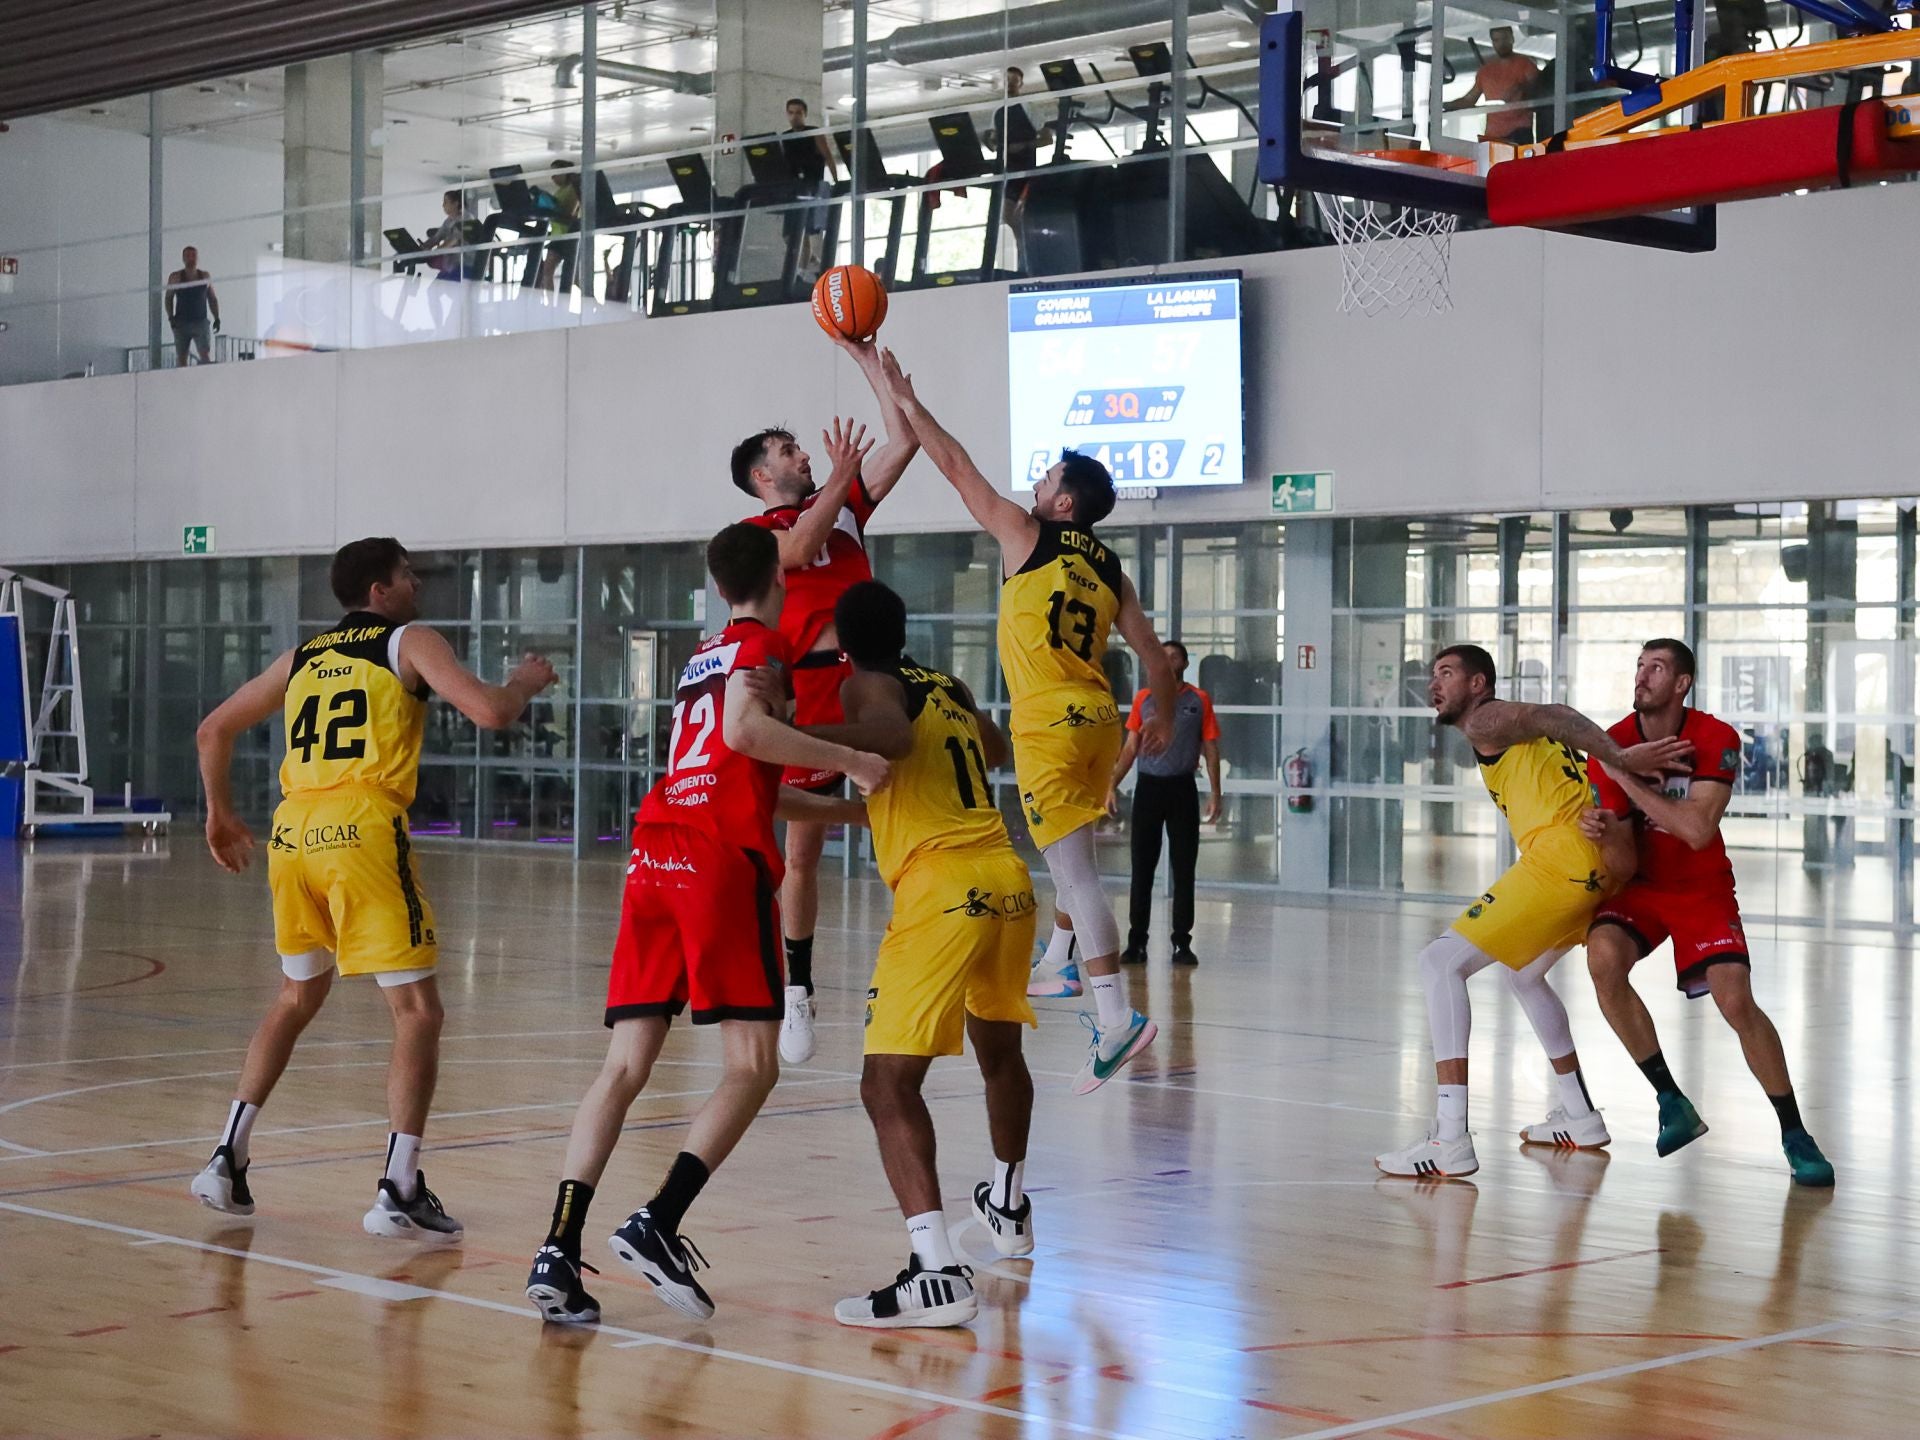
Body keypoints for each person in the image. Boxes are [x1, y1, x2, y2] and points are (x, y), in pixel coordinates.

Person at [525, 520, 890, 1326]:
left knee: (623, 1066)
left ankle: (558, 1243)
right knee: (754, 1064)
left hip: (654, 852)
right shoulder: (763, 644)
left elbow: (739, 774)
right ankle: (658, 1222)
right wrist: (856, 761)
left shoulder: (701, 656)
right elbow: (746, 736)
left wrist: (848, 816)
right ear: (778, 573)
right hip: (717, 865)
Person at [191, 538, 559, 1238]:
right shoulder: (409, 640)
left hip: (293, 834)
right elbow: (490, 712)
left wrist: (219, 811)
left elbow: (213, 730)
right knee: (418, 1012)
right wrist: (524, 681)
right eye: (407, 575)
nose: (416, 584)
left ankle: (226, 1158)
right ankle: (398, 1186)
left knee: (298, 995)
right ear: (380, 590)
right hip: (360, 828)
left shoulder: (303, 657)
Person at [877, 347, 1178, 1095]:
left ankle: (1117, 1017)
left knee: (1076, 878)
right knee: (1067, 855)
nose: (1035, 484)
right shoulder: (1110, 568)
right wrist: (1162, 714)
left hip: (1047, 719)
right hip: (1100, 718)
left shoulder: (1025, 533)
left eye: (1046, 479)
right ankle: (1054, 964)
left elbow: (954, 465)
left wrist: (910, 406)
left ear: (1064, 504)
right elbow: (1154, 655)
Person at [812, 580, 1039, 1328]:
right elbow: (992, 748)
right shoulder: (946, 683)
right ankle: (1006, 1205)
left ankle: (936, 1272)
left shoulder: (865, 686)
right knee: (999, 1054)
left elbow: (893, 739)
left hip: (941, 891)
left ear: (841, 645)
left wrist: (801, 733)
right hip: (1005, 880)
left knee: (886, 1086)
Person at [1374, 643, 1692, 1178]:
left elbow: (1557, 714)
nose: (1435, 684)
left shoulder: (1489, 718)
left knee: (1439, 964)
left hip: (1562, 860)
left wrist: (1619, 756)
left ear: (1478, 685)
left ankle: (1450, 1138)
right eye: (1433, 675)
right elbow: (1557, 727)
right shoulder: (1512, 733)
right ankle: (1580, 1113)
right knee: (1524, 975)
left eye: (1447, 674)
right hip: (1598, 867)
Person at [1578, 639, 1836, 1186]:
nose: (1643, 676)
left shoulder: (1714, 737)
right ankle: (1671, 1099)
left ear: (1682, 684)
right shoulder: (1613, 743)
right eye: (1639, 666)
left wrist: (1623, 777)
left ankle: (1795, 1133)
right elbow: (1621, 865)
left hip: (1701, 887)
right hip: (1642, 887)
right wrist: (1603, 833)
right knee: (1602, 959)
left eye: (1657, 668)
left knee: (1735, 999)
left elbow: (1696, 830)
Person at [735, 336, 919, 1066]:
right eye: (786, 449)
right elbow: (799, 550)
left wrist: (872, 368)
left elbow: (903, 439)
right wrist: (841, 477)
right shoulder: (753, 534)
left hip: (871, 673)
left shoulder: (841, 506)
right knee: (801, 853)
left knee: (912, 803)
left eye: (801, 448)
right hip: (805, 688)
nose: (801, 453)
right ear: (760, 473)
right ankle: (799, 988)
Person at [1108, 641, 1223, 968]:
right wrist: (1111, 785)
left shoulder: (1198, 701)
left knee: (1184, 869)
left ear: (1185, 663)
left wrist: (1216, 793)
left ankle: (1181, 943)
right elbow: (1130, 748)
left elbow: (1211, 750)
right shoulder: (1144, 700)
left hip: (1182, 790)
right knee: (1142, 868)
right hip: (1149, 790)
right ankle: (1137, 942)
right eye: (1163, 655)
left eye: (1174, 656)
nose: (1168, 660)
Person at [1444, 26, 1540, 145]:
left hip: (1518, 132)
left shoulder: (1525, 65)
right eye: (1496, 40)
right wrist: (1444, 106)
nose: (1501, 44)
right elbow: (1469, 100)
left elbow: (1539, 94)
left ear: (1512, 38)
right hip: (1492, 136)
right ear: (1492, 42)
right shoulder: (1485, 71)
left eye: (1504, 38)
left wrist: (1521, 90)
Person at [782, 98, 841, 270]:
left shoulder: (814, 133)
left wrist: (836, 182)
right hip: (794, 189)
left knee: (803, 233)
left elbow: (828, 157)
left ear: (805, 114)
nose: (795, 117)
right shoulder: (786, 138)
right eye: (791, 113)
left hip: (811, 187)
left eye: (798, 113)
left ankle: (801, 271)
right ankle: (810, 261)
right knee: (788, 235)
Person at [165, 246, 221, 365]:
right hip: (181, 323)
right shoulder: (176, 277)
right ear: (183, 258)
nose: (191, 258)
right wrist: (171, 318)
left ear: (197, 258)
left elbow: (212, 298)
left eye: (193, 255)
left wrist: (217, 317)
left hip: (200, 321)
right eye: (188, 256)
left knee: (205, 355)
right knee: (182, 357)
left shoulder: (205, 276)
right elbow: (168, 298)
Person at [536, 160, 582, 292]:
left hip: (569, 236)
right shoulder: (560, 191)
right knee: (546, 273)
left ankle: (593, 303)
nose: (553, 177)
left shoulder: (573, 188)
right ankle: (551, 308)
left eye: (555, 173)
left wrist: (553, 206)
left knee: (575, 278)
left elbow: (569, 212)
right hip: (556, 237)